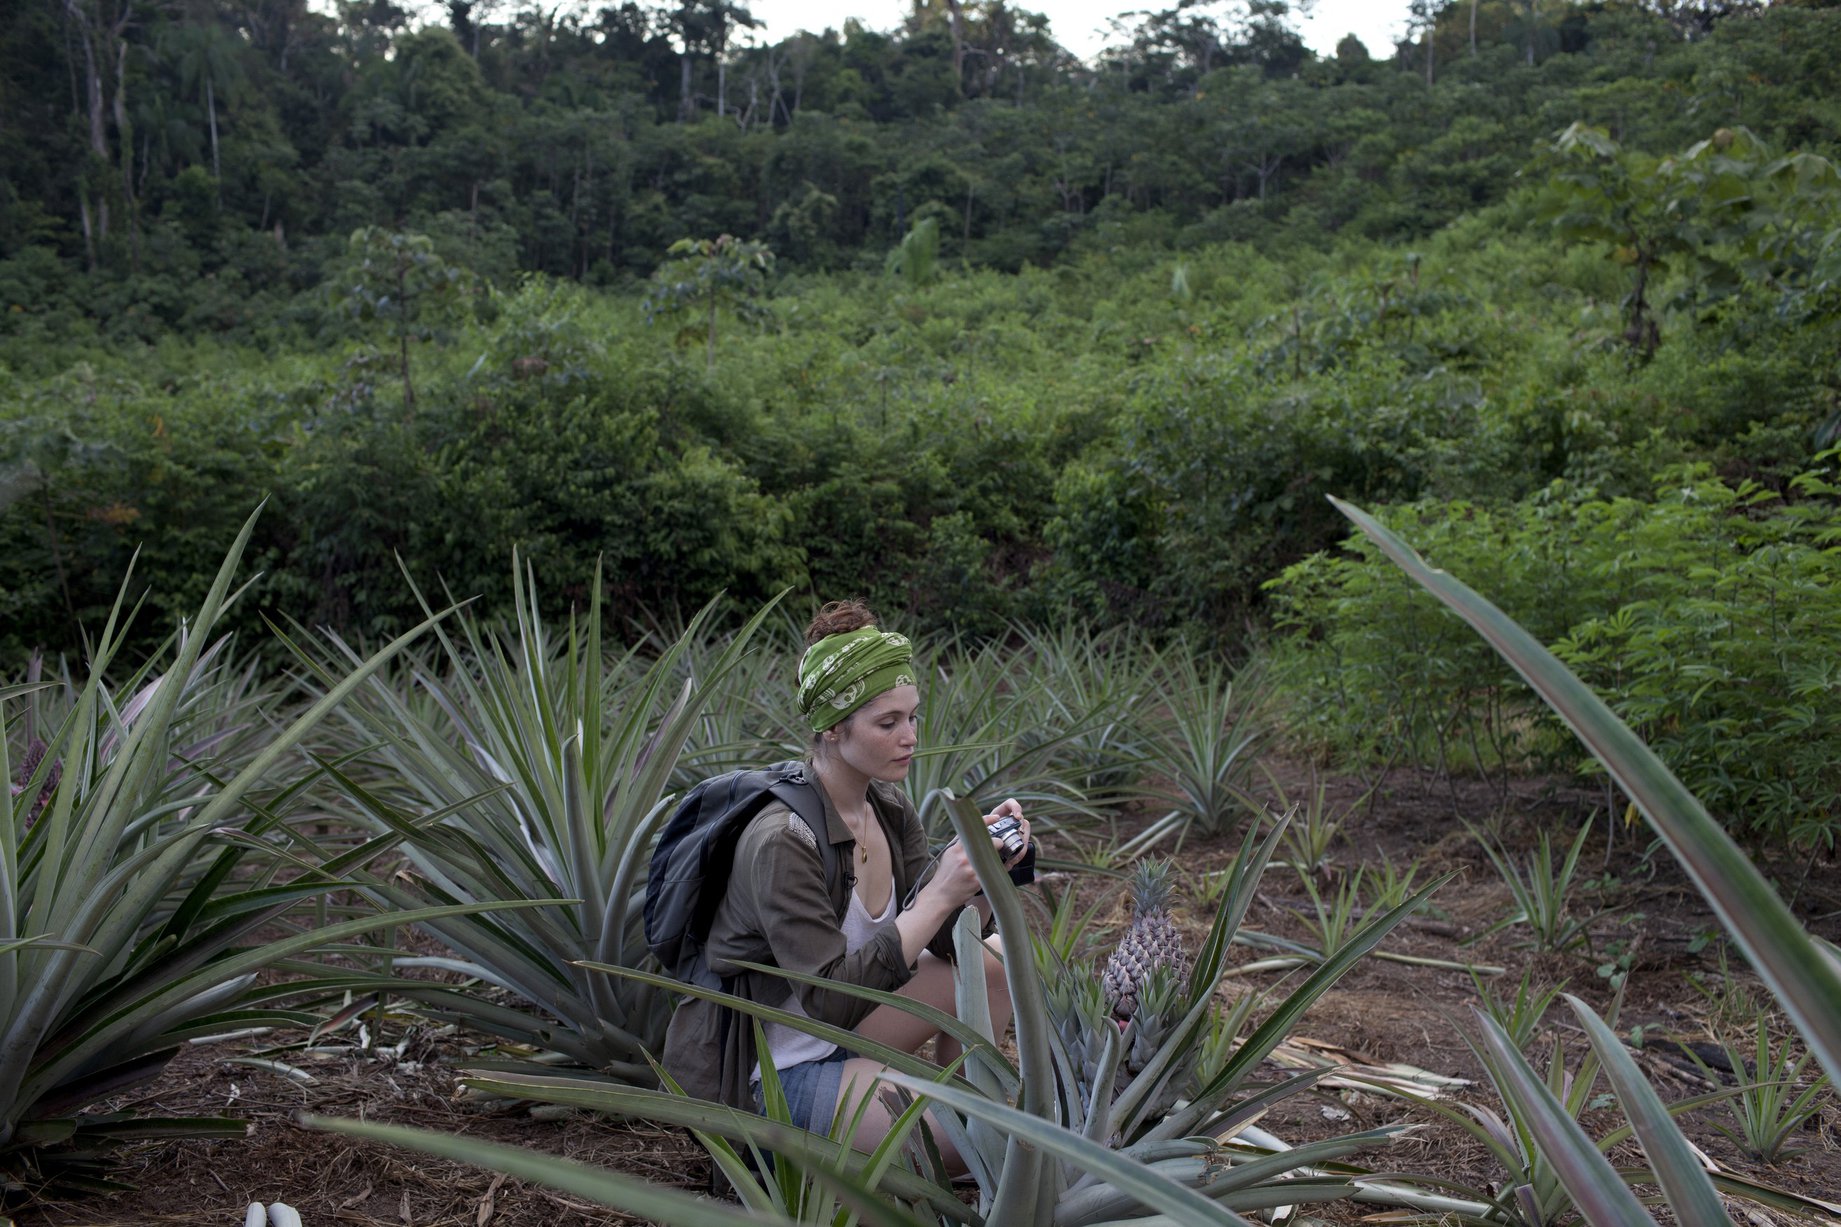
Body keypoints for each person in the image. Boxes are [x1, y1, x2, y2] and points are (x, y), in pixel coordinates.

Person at [661, 599, 1028, 1167]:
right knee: (989, 1140)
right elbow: (830, 1000)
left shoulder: (887, 805)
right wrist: (937, 893)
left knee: (994, 963)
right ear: (832, 729)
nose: (909, 737)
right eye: (888, 723)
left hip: (840, 1033)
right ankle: (950, 1135)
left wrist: (981, 872)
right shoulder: (783, 840)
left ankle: (959, 1121)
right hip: (773, 1071)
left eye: (912, 717)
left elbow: (941, 940)